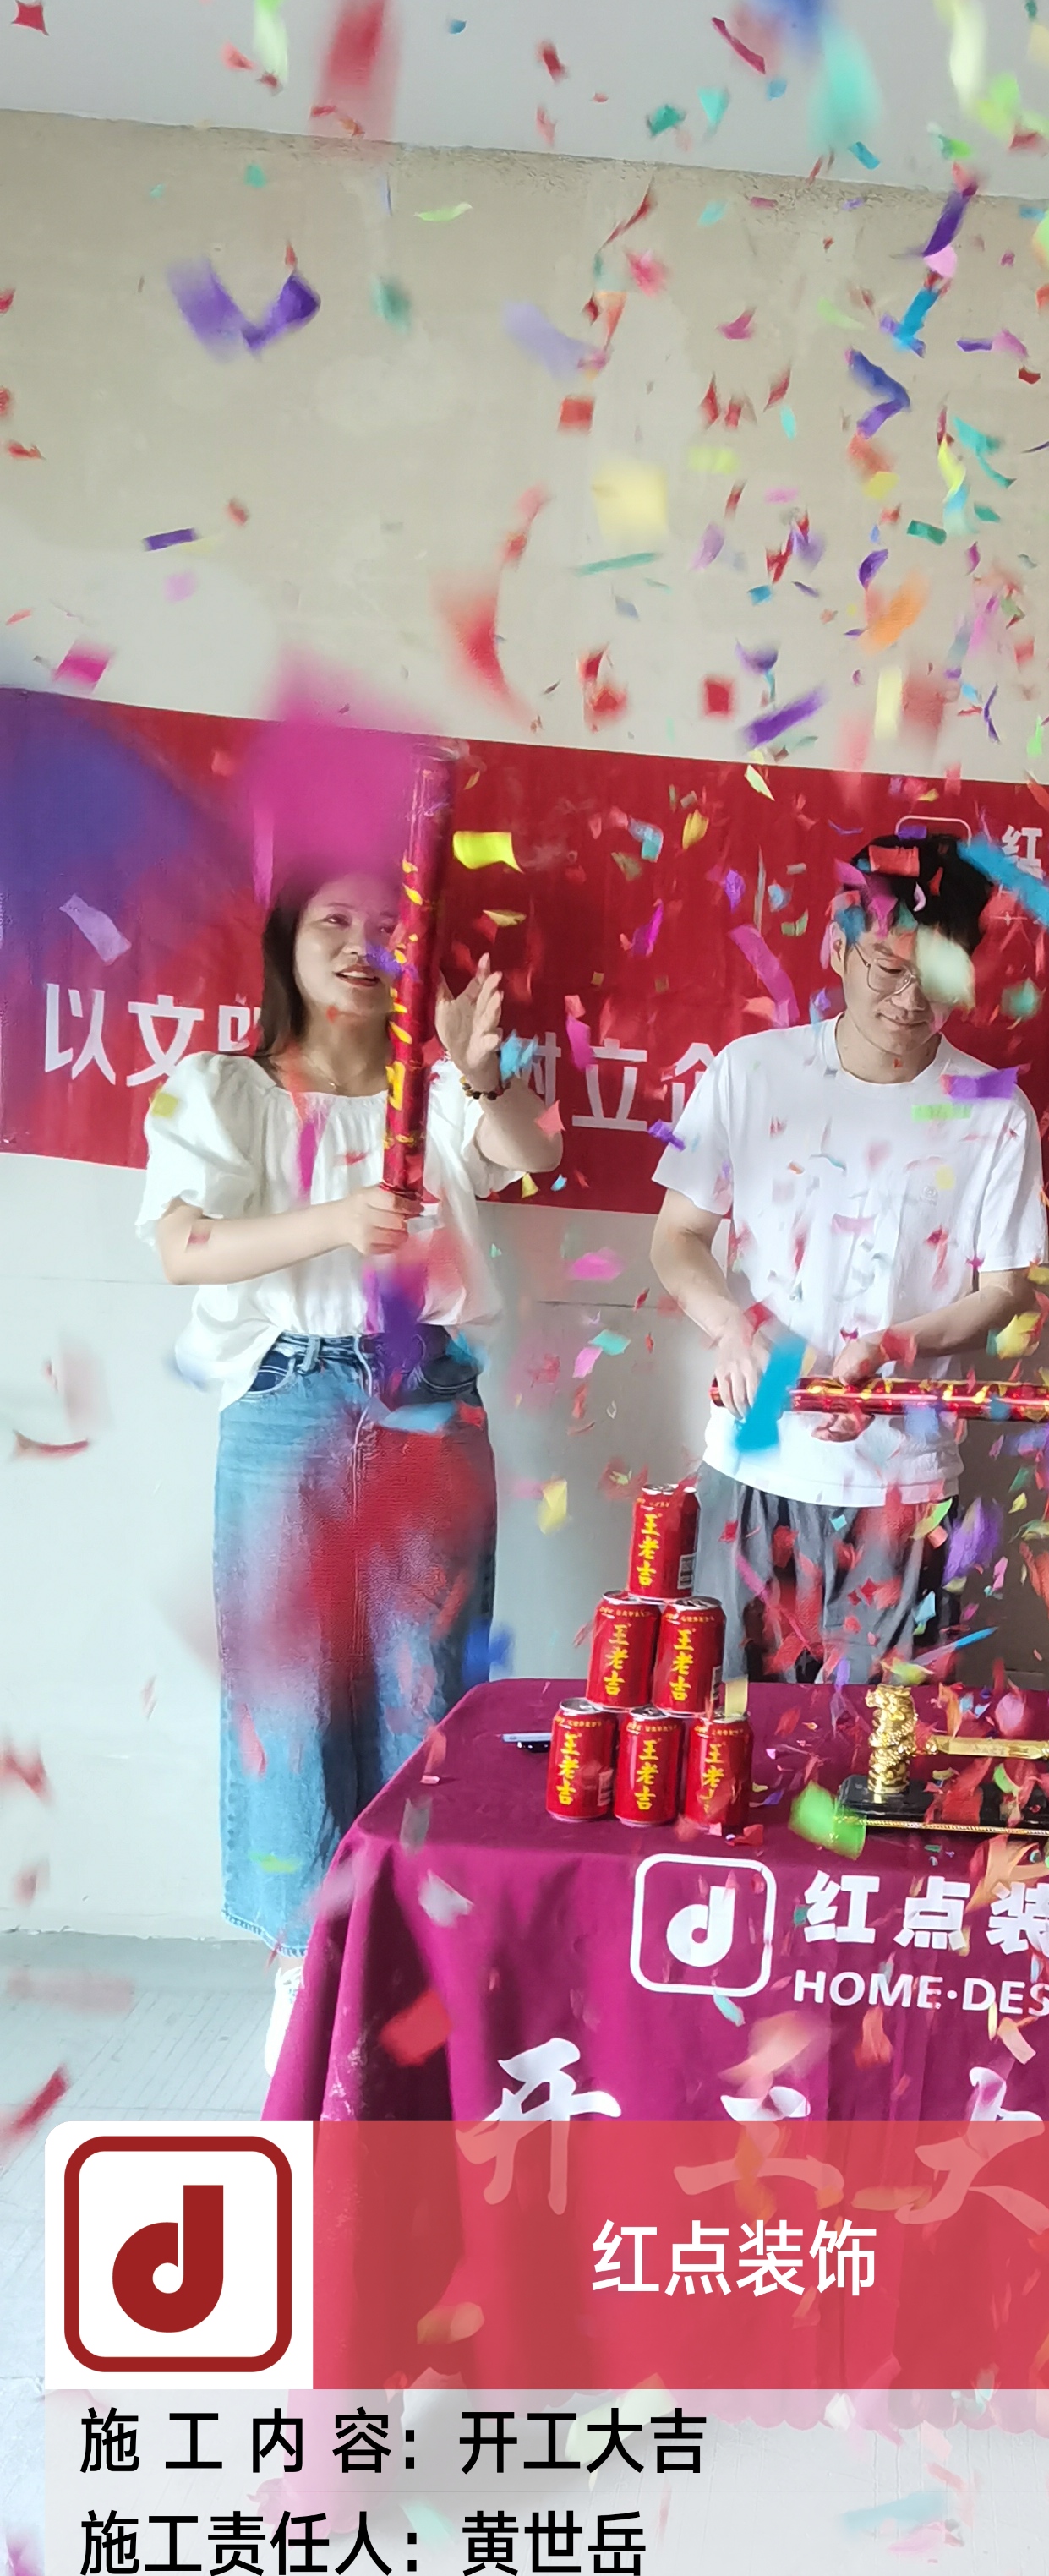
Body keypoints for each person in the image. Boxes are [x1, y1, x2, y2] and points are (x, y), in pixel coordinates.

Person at [140, 865, 557, 2066]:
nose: (363, 944)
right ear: (286, 938)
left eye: (388, 926)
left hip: (425, 1393)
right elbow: (182, 1248)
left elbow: (531, 1151)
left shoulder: (438, 1085)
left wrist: (480, 1072)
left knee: (426, 1691)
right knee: (290, 1692)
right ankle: (302, 1965)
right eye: (335, 921)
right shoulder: (221, 1086)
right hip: (284, 1399)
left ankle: (405, 1964)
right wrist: (338, 1221)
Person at [649, 828, 1046, 1685]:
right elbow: (675, 1237)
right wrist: (734, 1329)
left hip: (904, 1478)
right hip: (755, 1451)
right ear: (838, 946)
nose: (910, 1000)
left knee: (884, 1747)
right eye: (889, 968)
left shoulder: (995, 1112)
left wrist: (895, 1346)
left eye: (936, 979)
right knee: (730, 1724)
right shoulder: (751, 1073)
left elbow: (1004, 1291)